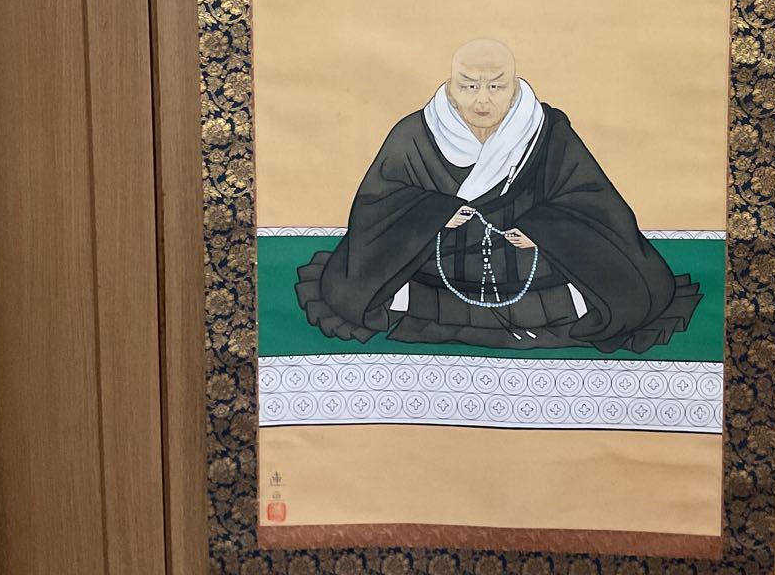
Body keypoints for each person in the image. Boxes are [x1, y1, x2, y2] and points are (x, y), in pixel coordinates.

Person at [296, 39, 701, 353]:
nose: (482, 100)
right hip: (438, 266)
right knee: (354, 291)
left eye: (495, 86)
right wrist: (434, 213)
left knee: (629, 292)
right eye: (469, 86)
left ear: (514, 87)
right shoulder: (415, 134)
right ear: (450, 88)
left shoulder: (545, 131)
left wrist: (543, 231)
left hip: (529, 265)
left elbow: (591, 201)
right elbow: (377, 205)